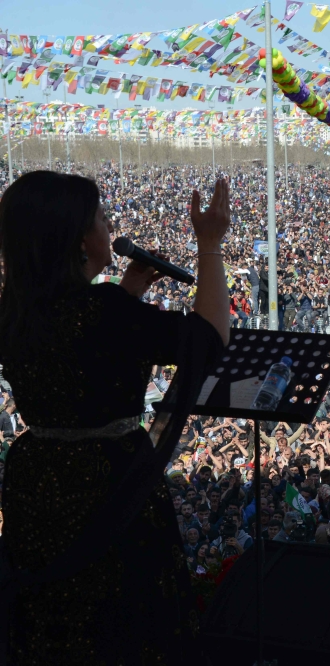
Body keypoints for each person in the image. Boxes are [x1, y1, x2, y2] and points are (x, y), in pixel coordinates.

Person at [0, 171, 230, 664]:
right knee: (121, 620)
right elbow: (209, 338)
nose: (111, 226)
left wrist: (123, 298)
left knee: (57, 622)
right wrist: (209, 245)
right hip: (109, 480)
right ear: (82, 238)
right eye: (103, 218)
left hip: (36, 481)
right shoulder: (105, 312)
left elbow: (71, 344)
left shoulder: (12, 309)